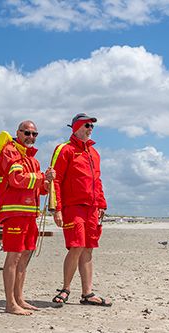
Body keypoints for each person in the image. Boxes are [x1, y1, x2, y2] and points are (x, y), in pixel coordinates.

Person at [0, 120, 56, 315]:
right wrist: (41, 178)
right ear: (18, 133)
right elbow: (16, 179)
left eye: (34, 134)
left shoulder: (33, 159)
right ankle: (10, 303)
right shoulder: (10, 151)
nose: (31, 137)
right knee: (14, 256)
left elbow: (37, 187)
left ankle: (19, 298)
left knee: (26, 255)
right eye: (27, 133)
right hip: (14, 213)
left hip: (30, 215)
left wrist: (47, 184)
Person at [50, 113, 112, 306]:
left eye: (92, 126)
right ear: (76, 127)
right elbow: (55, 180)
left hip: (92, 209)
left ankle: (87, 293)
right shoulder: (64, 149)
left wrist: (102, 204)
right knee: (76, 246)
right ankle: (65, 289)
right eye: (86, 125)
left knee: (88, 249)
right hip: (73, 207)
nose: (90, 129)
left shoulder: (94, 153)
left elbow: (97, 181)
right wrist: (56, 209)